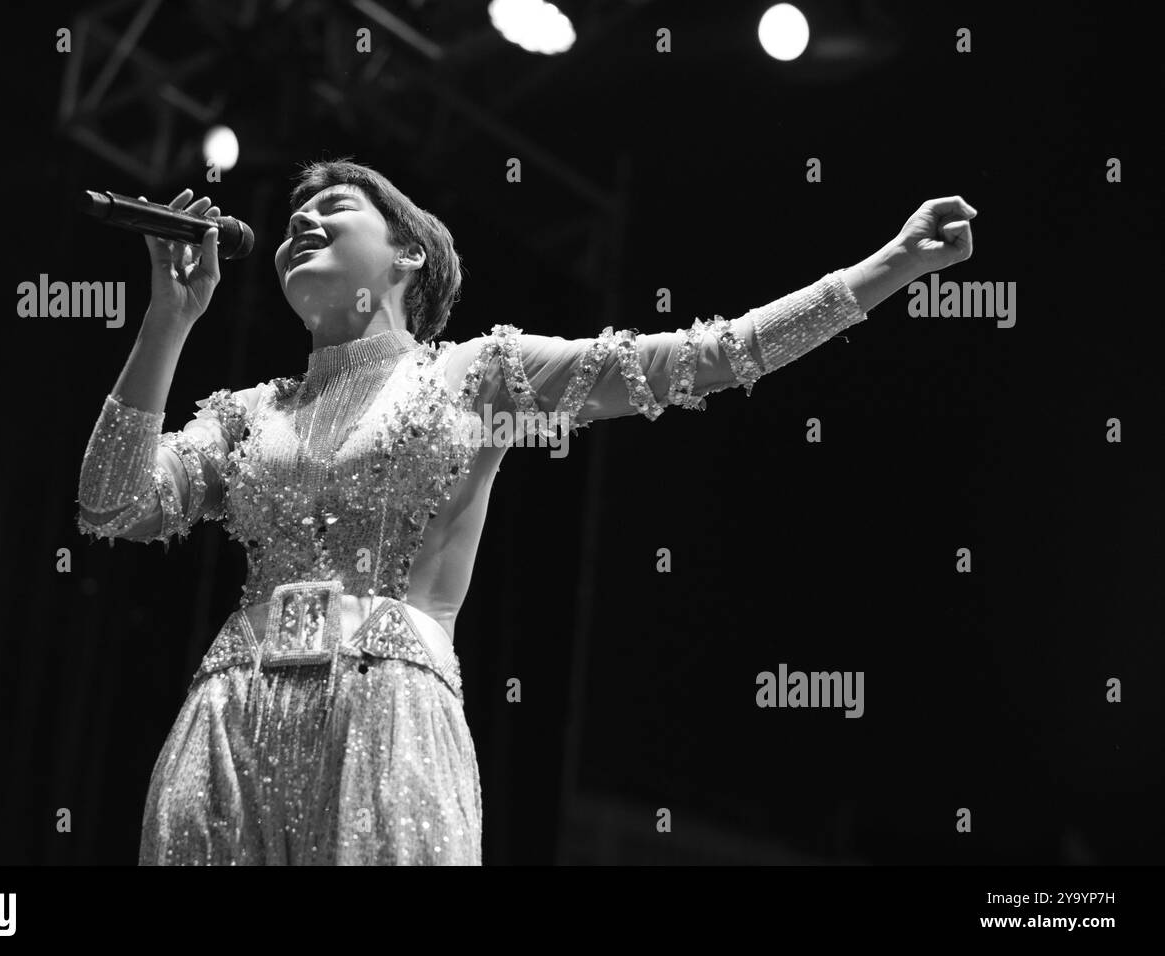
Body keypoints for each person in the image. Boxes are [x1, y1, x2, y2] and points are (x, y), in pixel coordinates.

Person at [76, 158, 976, 865]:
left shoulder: (477, 377)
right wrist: (169, 321)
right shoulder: (245, 414)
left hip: (383, 716)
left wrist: (885, 268)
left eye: (337, 208)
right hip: (227, 724)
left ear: (407, 255)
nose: (301, 223)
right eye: (291, 221)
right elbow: (110, 504)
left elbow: (703, 357)